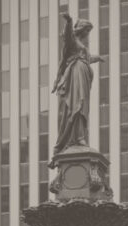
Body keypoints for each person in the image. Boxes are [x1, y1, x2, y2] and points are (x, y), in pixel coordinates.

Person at [48, 13, 104, 168]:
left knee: (82, 108)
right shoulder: (73, 42)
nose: (88, 36)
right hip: (74, 78)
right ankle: (77, 138)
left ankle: (79, 137)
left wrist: (97, 58)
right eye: (87, 32)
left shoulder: (82, 48)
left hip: (83, 79)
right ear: (82, 32)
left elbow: (87, 58)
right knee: (76, 107)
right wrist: (69, 22)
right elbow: (67, 37)